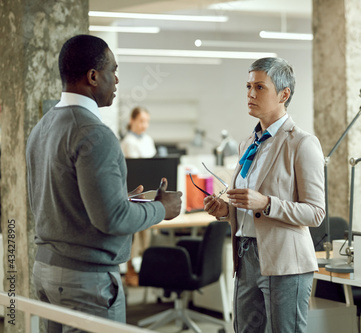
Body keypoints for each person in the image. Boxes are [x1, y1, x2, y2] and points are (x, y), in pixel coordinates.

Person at [26, 34, 182, 332]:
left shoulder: (43, 126)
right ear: (94, 76)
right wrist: (162, 208)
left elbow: (66, 201)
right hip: (85, 281)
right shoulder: (94, 134)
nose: (118, 79)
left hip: (46, 270)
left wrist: (116, 198)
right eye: (113, 70)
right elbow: (112, 219)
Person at [203, 57, 325, 332]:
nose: (250, 94)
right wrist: (226, 210)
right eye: (248, 86)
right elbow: (248, 206)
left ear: (284, 94)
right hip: (245, 255)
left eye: (259, 87)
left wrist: (267, 204)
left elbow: (316, 212)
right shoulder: (248, 143)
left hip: (285, 259)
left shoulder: (302, 143)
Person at [120, 106, 157, 286]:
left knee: (147, 234)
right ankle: (130, 270)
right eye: (141, 121)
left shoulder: (148, 140)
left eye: (147, 122)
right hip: (134, 194)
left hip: (148, 193)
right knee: (134, 235)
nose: (144, 125)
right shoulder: (127, 142)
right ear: (132, 121)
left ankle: (144, 268)